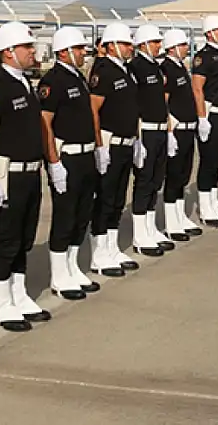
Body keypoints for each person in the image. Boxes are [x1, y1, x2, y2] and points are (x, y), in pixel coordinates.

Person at [0, 21, 50, 333]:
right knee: (6, 240)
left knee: (24, 238)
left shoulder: (24, 84)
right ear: (8, 52)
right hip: (7, 173)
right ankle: (0, 303)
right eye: (26, 47)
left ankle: (19, 295)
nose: (32, 52)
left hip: (30, 172)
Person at [38, 26, 102, 299]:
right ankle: (59, 274)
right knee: (65, 216)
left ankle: (73, 267)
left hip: (86, 154)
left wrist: (98, 148)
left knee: (81, 214)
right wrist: (53, 162)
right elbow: (45, 123)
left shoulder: (78, 78)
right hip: (68, 157)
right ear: (63, 51)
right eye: (78, 49)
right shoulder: (53, 81)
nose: (83, 53)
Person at [88, 21, 141, 275]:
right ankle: (99, 253)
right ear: (111, 46)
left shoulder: (126, 71)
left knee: (118, 199)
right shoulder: (104, 71)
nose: (130, 47)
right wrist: (100, 146)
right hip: (110, 142)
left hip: (127, 142)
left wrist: (137, 139)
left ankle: (111, 247)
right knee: (105, 199)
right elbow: (93, 110)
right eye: (125, 43)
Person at [128, 24, 177, 254]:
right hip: (145, 130)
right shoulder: (136, 67)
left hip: (159, 129)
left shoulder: (157, 68)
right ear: (144, 44)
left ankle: (150, 227)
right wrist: (137, 137)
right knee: (144, 181)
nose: (160, 46)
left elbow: (162, 102)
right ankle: (140, 234)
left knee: (156, 180)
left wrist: (168, 132)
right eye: (156, 42)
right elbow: (134, 104)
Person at [159, 28, 204, 240]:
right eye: (184, 44)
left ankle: (179, 216)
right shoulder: (166, 69)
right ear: (173, 47)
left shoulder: (180, 68)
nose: (187, 48)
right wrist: (169, 132)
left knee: (184, 176)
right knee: (174, 176)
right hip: (176, 130)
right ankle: (171, 222)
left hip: (188, 129)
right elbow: (164, 103)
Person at [191, 15, 218, 227]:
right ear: (209, 33)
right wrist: (201, 119)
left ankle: (214, 203)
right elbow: (197, 89)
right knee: (208, 161)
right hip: (211, 113)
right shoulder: (204, 57)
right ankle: (205, 206)